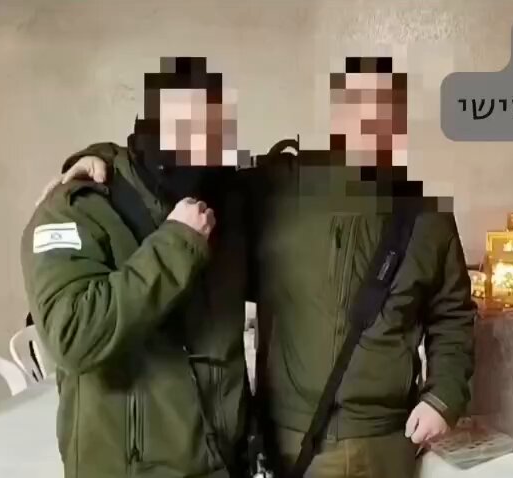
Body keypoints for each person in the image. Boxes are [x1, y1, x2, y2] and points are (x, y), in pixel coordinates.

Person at [50, 55, 477, 478]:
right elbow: (175, 170)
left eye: (385, 112)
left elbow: (453, 314)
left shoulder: (427, 216)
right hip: (287, 442)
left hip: (382, 440)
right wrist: (96, 160)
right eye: (357, 109)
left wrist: (443, 397)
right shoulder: (278, 186)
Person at [23, 57, 252, 478]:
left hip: (222, 462)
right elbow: (72, 335)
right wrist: (175, 243)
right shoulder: (74, 209)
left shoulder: (223, 201)